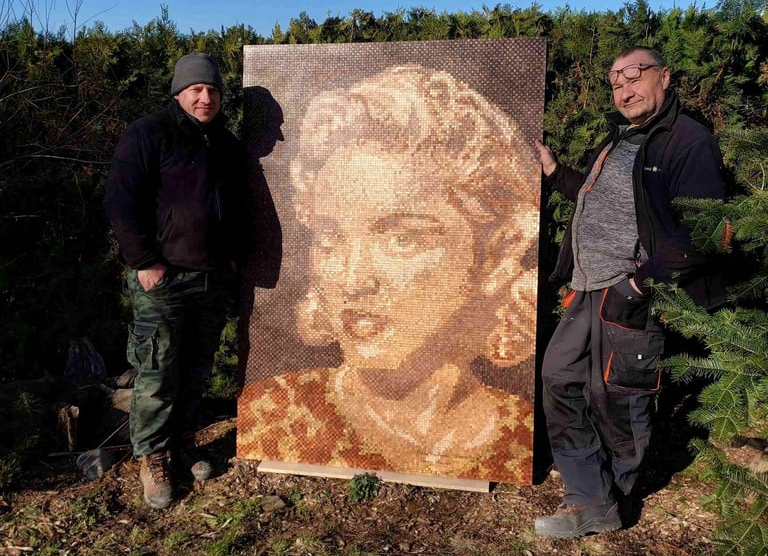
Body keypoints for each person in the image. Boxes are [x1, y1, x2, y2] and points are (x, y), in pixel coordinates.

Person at [238, 64, 540, 483]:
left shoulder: (522, 434)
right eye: (331, 239)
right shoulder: (272, 416)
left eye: (403, 239)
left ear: (495, 251)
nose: (354, 279)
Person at [533, 46, 726, 537]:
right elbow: (597, 199)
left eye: (635, 76)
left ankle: (609, 501)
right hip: (588, 288)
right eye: (616, 81)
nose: (625, 89)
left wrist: (637, 285)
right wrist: (555, 172)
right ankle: (589, 493)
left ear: (665, 77)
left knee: (617, 399)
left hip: (631, 295)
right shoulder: (620, 139)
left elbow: (702, 235)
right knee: (559, 379)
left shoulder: (687, 141)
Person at [105, 53, 279, 509]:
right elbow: (122, 203)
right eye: (197, 90)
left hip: (212, 280)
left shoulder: (224, 143)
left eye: (214, 91)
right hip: (164, 279)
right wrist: (145, 260)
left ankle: (181, 445)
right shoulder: (148, 134)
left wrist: (234, 261)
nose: (206, 98)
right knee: (157, 371)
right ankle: (152, 456)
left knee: (196, 370)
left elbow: (239, 207)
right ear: (179, 92)